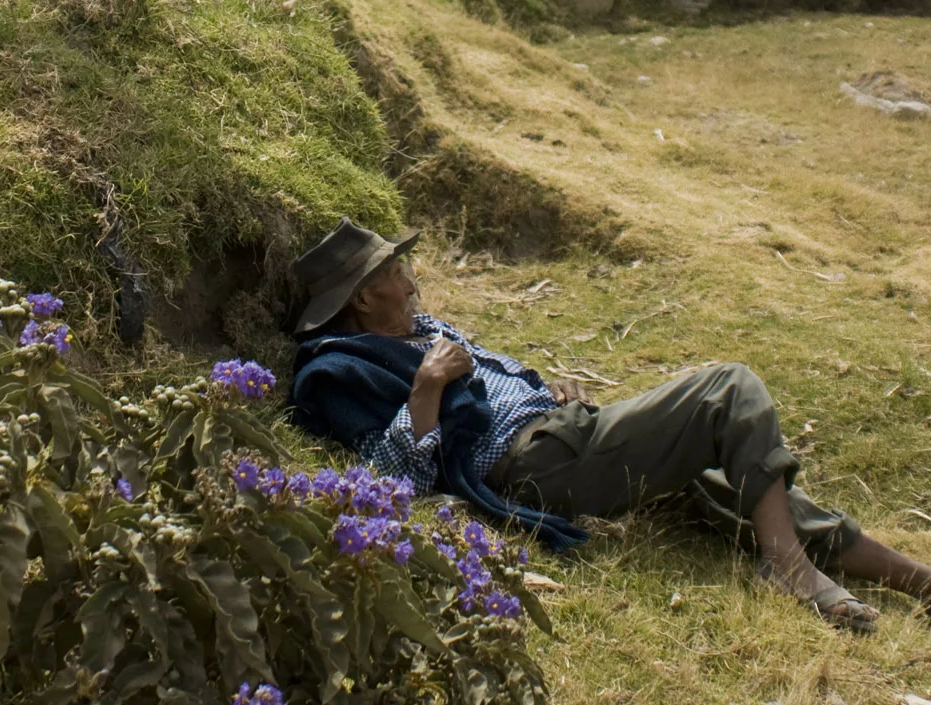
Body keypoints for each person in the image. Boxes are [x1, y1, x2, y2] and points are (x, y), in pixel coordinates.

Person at [287, 218, 931, 633]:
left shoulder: (424, 329)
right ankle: (785, 565)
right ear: (364, 298)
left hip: (561, 432)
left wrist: (547, 390)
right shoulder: (339, 370)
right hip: (533, 464)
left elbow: (496, 383)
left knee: (742, 485)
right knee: (728, 389)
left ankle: (914, 578)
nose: (410, 280)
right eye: (394, 272)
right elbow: (389, 480)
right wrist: (426, 387)